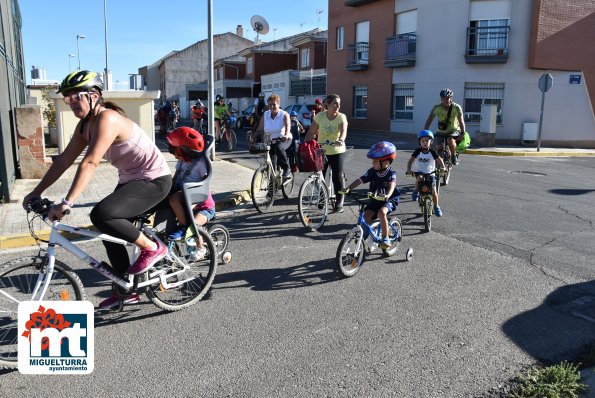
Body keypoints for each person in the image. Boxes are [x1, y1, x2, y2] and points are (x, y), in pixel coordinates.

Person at [21, 70, 172, 309]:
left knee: (102, 214)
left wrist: (67, 202)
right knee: (108, 229)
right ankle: (127, 289)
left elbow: (90, 162)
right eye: (67, 99)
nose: (71, 103)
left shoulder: (108, 118)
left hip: (154, 180)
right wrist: (35, 192)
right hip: (131, 181)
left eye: (75, 97)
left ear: (93, 95)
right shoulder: (85, 126)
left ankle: (153, 247)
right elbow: (63, 161)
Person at [165, 127, 215, 259]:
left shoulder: (200, 163)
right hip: (186, 198)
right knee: (170, 198)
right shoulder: (182, 160)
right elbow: (176, 176)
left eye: (175, 151)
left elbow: (205, 181)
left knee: (192, 226)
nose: (174, 155)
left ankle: (201, 247)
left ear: (184, 150)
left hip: (204, 207)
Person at [343, 141, 400, 249]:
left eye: (375, 161)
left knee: (382, 212)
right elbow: (360, 180)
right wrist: (348, 189)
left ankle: (385, 238)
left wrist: (387, 195)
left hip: (389, 199)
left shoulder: (391, 173)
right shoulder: (372, 172)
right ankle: (366, 237)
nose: (372, 163)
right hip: (375, 199)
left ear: (386, 162)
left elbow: (392, 185)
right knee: (366, 215)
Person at [305, 93, 348, 213]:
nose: (337, 106)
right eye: (335, 103)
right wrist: (304, 144)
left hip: (337, 150)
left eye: (339, 104)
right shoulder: (320, 116)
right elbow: (311, 132)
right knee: (319, 176)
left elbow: (343, 130)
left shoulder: (341, 117)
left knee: (337, 176)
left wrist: (341, 140)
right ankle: (322, 197)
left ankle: (339, 201)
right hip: (321, 150)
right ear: (327, 104)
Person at [406, 130, 446, 217]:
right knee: (419, 178)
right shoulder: (418, 151)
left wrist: (443, 167)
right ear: (419, 142)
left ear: (431, 142)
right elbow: (410, 161)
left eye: (427, 141)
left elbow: (439, 160)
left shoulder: (432, 151)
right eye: (422, 141)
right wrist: (409, 169)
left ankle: (436, 207)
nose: (424, 142)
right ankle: (416, 191)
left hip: (430, 172)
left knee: (434, 190)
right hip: (419, 171)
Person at [423, 88, 466, 165]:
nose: (446, 100)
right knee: (438, 147)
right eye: (444, 98)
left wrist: (463, 133)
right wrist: (425, 132)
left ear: (451, 98)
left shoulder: (456, 107)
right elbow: (430, 119)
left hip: (453, 130)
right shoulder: (437, 107)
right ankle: (440, 167)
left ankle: (453, 155)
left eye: (448, 98)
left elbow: (461, 121)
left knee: (450, 140)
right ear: (441, 99)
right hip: (441, 131)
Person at [262, 94, 292, 178]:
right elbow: (260, 128)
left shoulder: (284, 114)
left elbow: (288, 127)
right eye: (270, 104)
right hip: (271, 140)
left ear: (278, 104)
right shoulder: (266, 114)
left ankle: (287, 168)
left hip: (284, 139)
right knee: (271, 166)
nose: (272, 106)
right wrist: (253, 136)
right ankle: (271, 190)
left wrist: (286, 135)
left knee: (278, 147)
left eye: (274, 104)